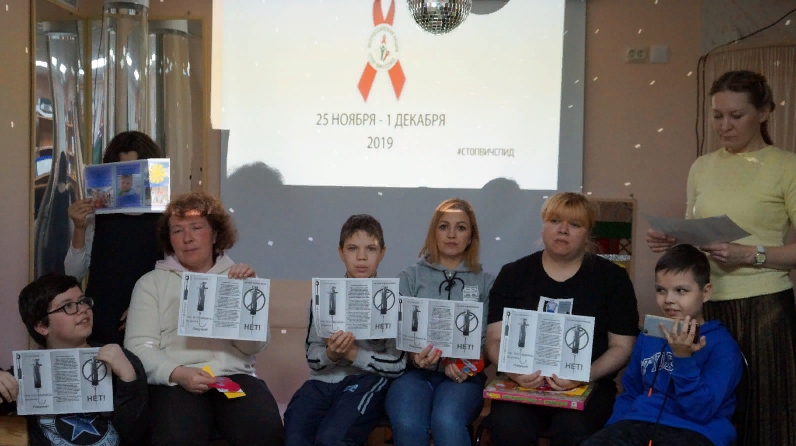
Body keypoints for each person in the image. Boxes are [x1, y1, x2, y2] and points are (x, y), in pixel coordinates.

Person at [645, 70, 796, 445]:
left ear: (764, 112)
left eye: (736, 115)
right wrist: (675, 239)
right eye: (717, 116)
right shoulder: (702, 167)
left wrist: (750, 254)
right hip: (706, 306)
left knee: (765, 414)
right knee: (703, 410)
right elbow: (698, 235)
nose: (724, 126)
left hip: (765, 307)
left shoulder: (786, 166)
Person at [124, 191, 284, 446]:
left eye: (196, 228)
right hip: (175, 382)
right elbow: (138, 348)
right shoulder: (150, 283)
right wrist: (177, 373)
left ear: (215, 234)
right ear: (169, 239)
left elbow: (254, 346)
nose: (187, 238)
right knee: (178, 436)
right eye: (177, 231)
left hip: (231, 377)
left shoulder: (238, 278)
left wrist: (246, 297)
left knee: (264, 429)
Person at [484, 192, 639, 446]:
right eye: (555, 221)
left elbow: (622, 347)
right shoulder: (513, 274)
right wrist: (513, 371)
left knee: (574, 429)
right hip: (521, 385)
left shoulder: (613, 279)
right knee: (509, 426)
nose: (563, 230)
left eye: (575, 224)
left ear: (588, 233)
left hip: (588, 386)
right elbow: (494, 339)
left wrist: (585, 375)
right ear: (543, 226)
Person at [584, 244, 742, 446]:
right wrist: (612, 431)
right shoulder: (650, 335)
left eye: (681, 291)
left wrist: (683, 359)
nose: (668, 300)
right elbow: (630, 393)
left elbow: (700, 412)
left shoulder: (722, 345)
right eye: (661, 290)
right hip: (637, 423)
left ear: (705, 292)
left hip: (696, 430)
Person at [283, 214, 406, 445]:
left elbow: (398, 363)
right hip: (322, 381)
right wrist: (331, 353)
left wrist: (353, 354)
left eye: (370, 249)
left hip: (367, 380)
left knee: (332, 438)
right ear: (341, 252)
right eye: (352, 248)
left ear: (382, 253)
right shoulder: (324, 295)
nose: (361, 257)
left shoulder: (393, 299)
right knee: (294, 435)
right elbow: (313, 357)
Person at [385, 198, 495, 446]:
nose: (451, 234)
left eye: (461, 227)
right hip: (413, 374)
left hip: (464, 377)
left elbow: (490, 342)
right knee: (408, 423)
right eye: (444, 226)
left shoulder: (486, 282)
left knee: (446, 421)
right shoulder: (409, 277)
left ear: (471, 236)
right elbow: (393, 334)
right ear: (433, 232)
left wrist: (467, 366)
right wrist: (413, 356)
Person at [0, 273, 148, 446]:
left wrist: (128, 378)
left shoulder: (122, 359)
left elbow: (135, 433)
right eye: (68, 306)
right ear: (42, 326)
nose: (82, 309)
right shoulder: (26, 370)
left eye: (83, 301)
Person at [65, 130, 164, 345]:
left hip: (152, 320)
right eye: (122, 172)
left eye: (136, 171)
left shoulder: (166, 217)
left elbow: (176, 274)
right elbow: (73, 273)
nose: (128, 180)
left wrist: (145, 309)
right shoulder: (96, 214)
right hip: (103, 320)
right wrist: (79, 227)